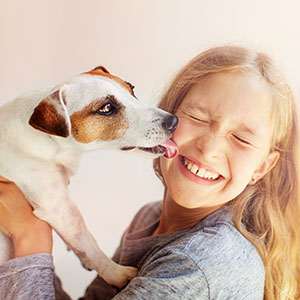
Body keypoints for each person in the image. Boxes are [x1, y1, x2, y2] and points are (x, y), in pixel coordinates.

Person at [0, 45, 299, 300]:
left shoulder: (198, 264)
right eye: (197, 117)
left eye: (242, 139)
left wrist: (30, 237)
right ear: (168, 115)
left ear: (262, 166)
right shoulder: (150, 219)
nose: (209, 150)